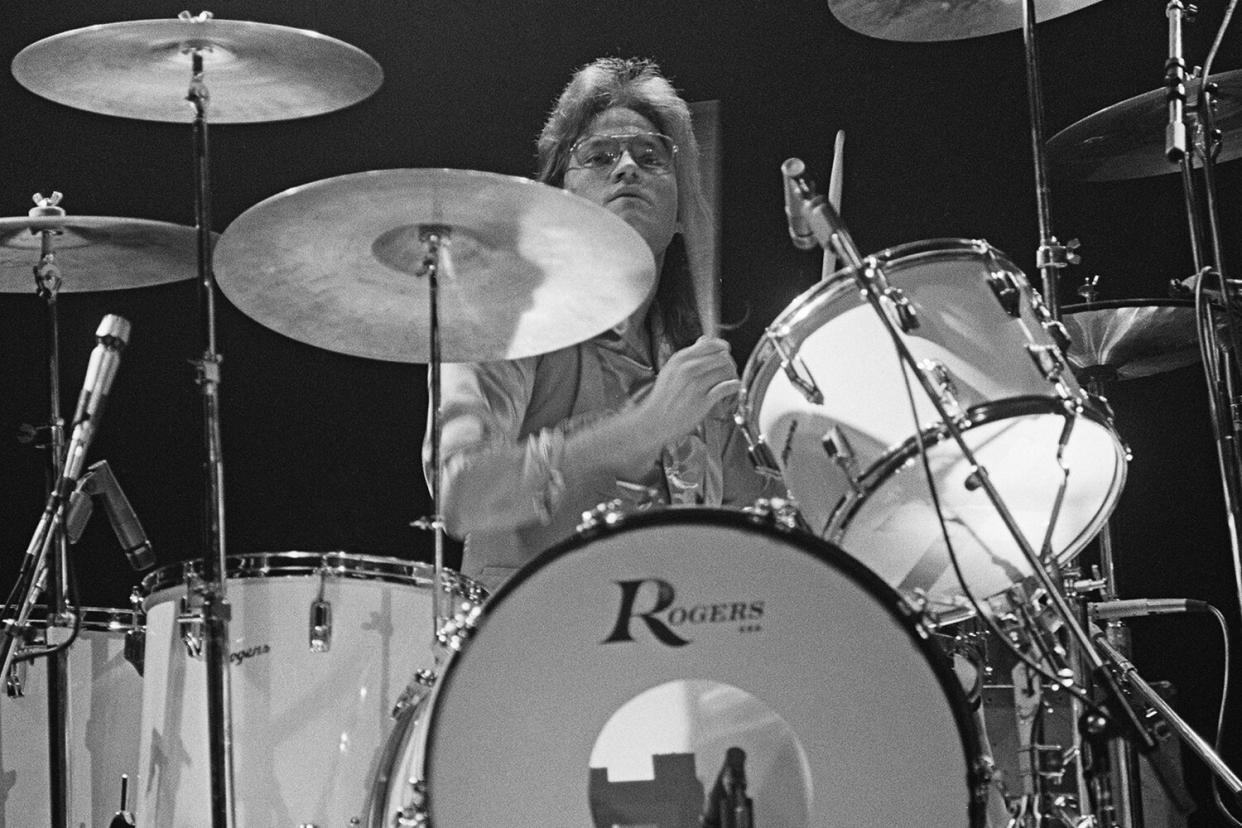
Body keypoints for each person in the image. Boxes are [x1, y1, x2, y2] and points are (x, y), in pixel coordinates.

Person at [425, 57, 780, 592]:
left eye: (651, 156)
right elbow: (462, 498)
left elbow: (762, 525)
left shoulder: (687, 355)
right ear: (559, 195)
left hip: (671, 650)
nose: (627, 168)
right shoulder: (506, 316)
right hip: (526, 646)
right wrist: (645, 425)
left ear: (683, 208)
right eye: (599, 155)